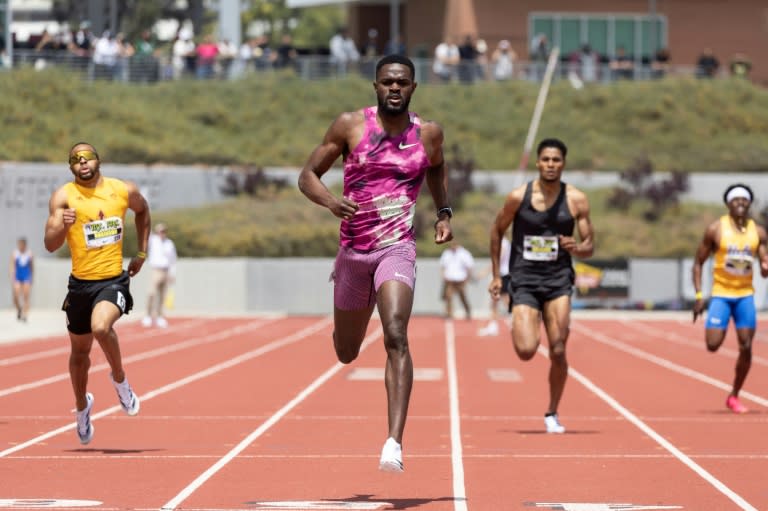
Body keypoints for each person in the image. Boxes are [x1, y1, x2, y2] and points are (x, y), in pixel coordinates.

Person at [298, 54, 452, 472]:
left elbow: (436, 172)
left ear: (414, 88)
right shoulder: (350, 125)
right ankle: (347, 323)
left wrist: (443, 213)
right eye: (388, 82)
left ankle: (393, 443)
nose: (395, 88)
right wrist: (332, 202)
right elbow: (307, 174)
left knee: (397, 333)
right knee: (346, 352)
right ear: (376, 86)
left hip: (396, 247)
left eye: (403, 82)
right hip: (353, 252)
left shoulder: (429, 134)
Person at [44, 142, 150, 445]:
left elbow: (143, 212)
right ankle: (82, 407)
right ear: (71, 168)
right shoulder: (63, 197)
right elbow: (50, 244)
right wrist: (61, 228)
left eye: (86, 157)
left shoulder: (122, 190)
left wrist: (142, 252)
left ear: (97, 160)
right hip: (80, 285)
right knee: (79, 355)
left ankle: (120, 380)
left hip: (112, 280)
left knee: (101, 326)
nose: (82, 163)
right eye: (75, 160)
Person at [488, 138, 594, 434]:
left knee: (558, 349)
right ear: (538, 162)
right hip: (525, 279)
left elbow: (590, 245)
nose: (550, 165)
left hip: (559, 279)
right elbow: (496, 232)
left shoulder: (576, 199)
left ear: (563, 164)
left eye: (556, 160)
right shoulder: (517, 197)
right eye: (545, 159)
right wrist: (497, 275)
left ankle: (552, 412)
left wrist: (578, 248)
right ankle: (526, 320)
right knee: (525, 350)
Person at [692, 183, 768, 414]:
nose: (741, 204)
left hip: (745, 296)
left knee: (746, 345)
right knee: (713, 345)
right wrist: (698, 296)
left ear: (749, 203)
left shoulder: (759, 232)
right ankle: (720, 323)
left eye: (745, 200)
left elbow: (764, 265)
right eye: (736, 200)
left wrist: (765, 266)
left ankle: (734, 395)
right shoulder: (716, 230)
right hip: (721, 295)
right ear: (728, 204)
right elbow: (698, 263)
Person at [142, 223, 177, 328]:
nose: (162, 233)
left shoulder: (169, 243)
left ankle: (160, 317)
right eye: (160, 231)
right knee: (151, 293)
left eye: (164, 231)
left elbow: (173, 259)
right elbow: (146, 232)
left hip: (166, 270)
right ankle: (148, 315)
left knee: (162, 296)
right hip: (156, 270)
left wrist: (172, 273)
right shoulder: (153, 241)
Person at [478, 235, 511, 336]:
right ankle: (493, 326)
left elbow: (498, 259)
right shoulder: (503, 242)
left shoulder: (503, 243)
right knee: (495, 302)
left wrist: (485, 272)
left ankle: (518, 323)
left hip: (503, 275)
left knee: (505, 301)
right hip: (501, 275)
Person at [440, 242, 474, 319]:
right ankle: (449, 313)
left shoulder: (464, 253)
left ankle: (468, 311)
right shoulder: (446, 253)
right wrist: (443, 276)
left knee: (463, 297)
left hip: (461, 280)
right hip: (450, 280)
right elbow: (442, 266)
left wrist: (467, 278)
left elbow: (469, 266)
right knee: (448, 296)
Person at [10, 237, 34, 322]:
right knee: (15, 296)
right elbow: (12, 266)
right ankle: (19, 309)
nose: (20, 246)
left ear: (25, 245)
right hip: (17, 276)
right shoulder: (15, 253)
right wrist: (12, 277)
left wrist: (32, 278)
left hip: (26, 276)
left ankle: (25, 314)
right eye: (19, 244)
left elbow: (31, 267)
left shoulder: (29, 253)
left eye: (22, 244)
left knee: (26, 296)